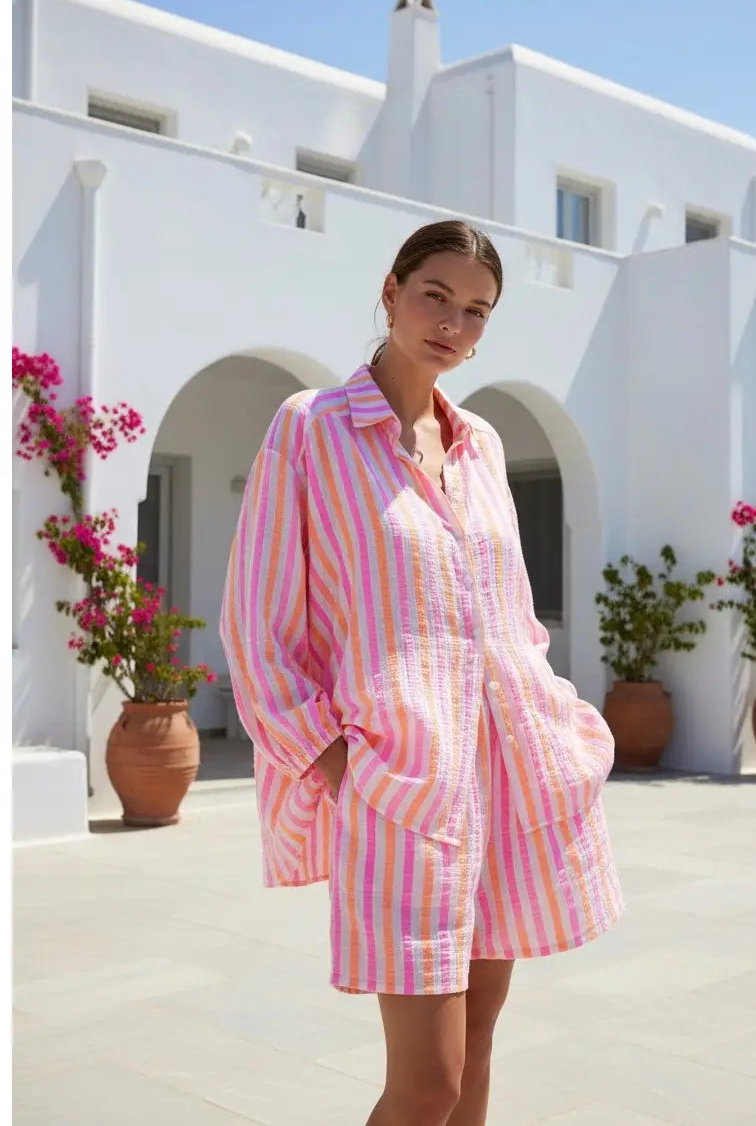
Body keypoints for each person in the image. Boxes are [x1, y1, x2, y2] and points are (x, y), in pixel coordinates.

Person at [220, 218, 624, 1126]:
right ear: (392, 289)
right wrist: (335, 765)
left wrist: (564, 726)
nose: (452, 322)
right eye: (435, 295)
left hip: (506, 779)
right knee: (427, 1081)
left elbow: (511, 617)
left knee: (477, 1060)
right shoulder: (311, 430)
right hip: (400, 789)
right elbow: (258, 627)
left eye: (475, 311)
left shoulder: (479, 445)